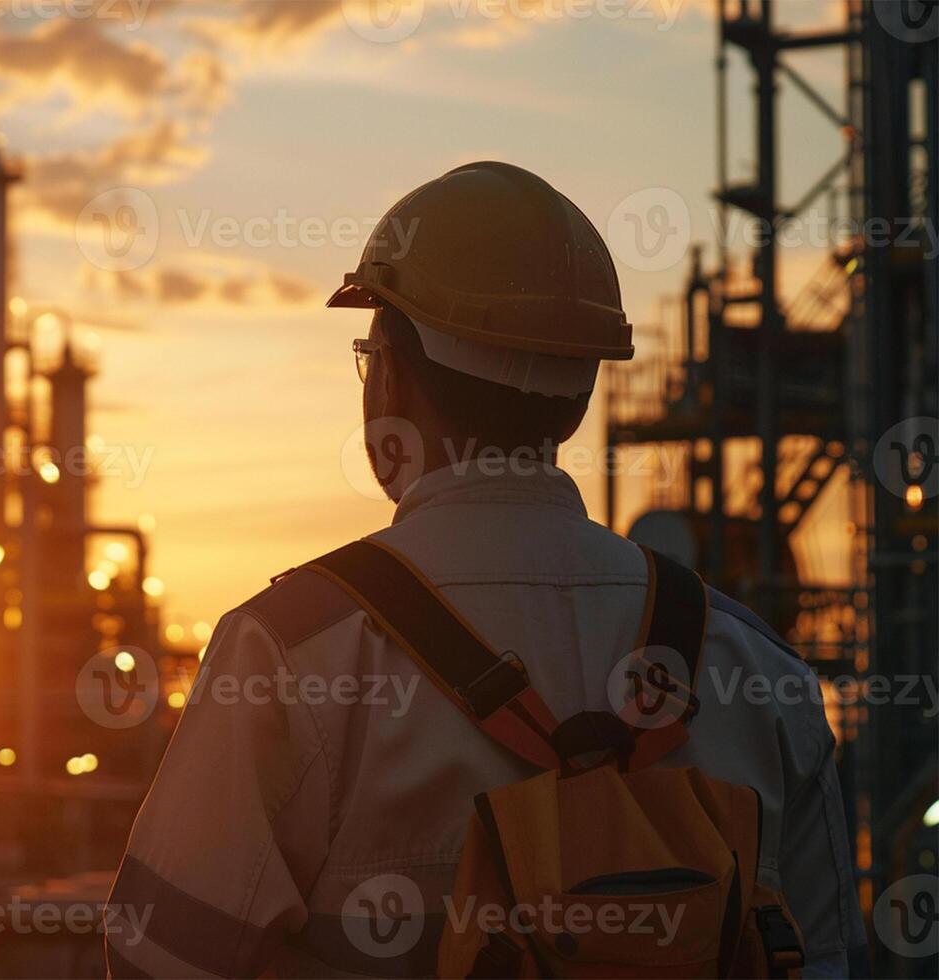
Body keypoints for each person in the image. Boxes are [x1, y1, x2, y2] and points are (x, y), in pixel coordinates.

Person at [104, 162, 864, 978]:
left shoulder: (289, 656)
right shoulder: (761, 671)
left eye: (370, 356)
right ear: (578, 401)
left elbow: (158, 962)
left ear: (388, 375)